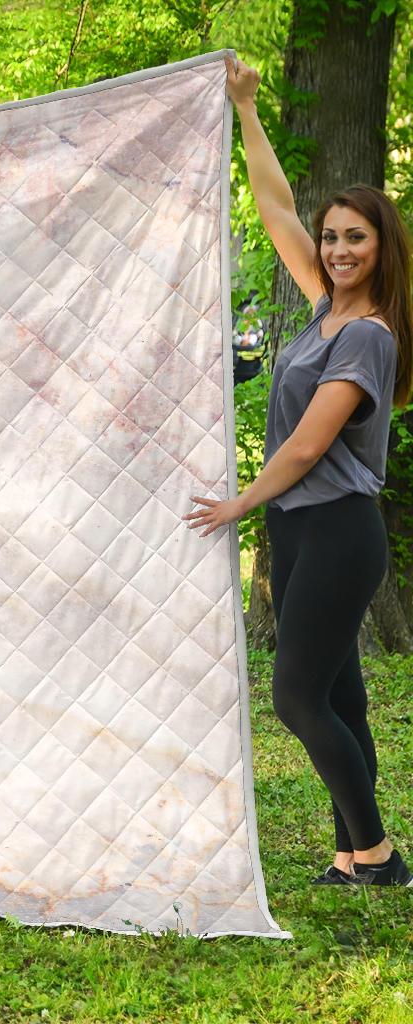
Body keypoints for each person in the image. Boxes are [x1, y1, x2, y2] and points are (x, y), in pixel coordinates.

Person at [184, 58, 413, 886]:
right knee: (340, 697)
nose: (338, 248)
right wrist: (246, 109)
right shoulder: (326, 311)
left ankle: (379, 854)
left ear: (383, 246)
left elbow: (312, 445)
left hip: (339, 531)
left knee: (295, 699)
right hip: (302, 529)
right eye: (333, 236)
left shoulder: (370, 337)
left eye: (356, 236)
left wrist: (239, 503)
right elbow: (277, 207)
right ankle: (356, 854)